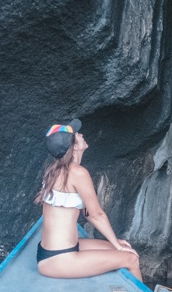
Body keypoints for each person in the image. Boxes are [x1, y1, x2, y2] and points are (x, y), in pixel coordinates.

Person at [34, 119, 142, 281]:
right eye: (77, 134)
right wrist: (116, 244)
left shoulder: (53, 170)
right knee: (131, 258)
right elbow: (96, 215)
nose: (81, 134)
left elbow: (88, 213)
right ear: (75, 146)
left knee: (124, 247)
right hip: (59, 258)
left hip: (53, 250)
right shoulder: (78, 172)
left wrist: (117, 243)